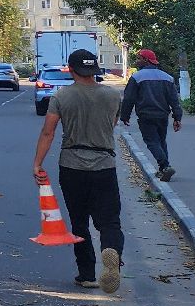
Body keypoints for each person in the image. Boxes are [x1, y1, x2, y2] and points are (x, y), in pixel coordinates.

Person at [31, 48, 126, 293]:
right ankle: (112, 251)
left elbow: (48, 132)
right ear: (94, 69)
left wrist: (38, 163)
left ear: (71, 70)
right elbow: (112, 124)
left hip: (72, 166)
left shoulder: (62, 96)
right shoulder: (113, 96)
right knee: (109, 221)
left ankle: (86, 274)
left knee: (79, 221)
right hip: (104, 164)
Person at [118, 47, 183, 181]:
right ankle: (163, 169)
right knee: (161, 141)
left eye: (139, 58)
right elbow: (174, 100)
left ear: (146, 60)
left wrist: (124, 116)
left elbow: (129, 98)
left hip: (146, 115)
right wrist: (177, 117)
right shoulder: (167, 77)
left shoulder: (137, 77)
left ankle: (165, 166)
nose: (137, 61)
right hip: (162, 115)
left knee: (151, 141)